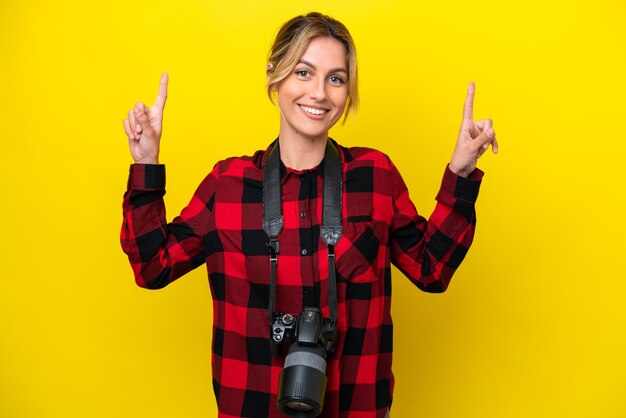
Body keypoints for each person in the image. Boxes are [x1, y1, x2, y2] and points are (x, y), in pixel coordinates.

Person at [121, 12, 497, 418]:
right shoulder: (227, 184)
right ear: (274, 75)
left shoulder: (376, 177)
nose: (319, 93)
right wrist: (146, 165)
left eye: (335, 79)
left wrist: (460, 172)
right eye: (304, 72)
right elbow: (152, 267)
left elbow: (432, 269)